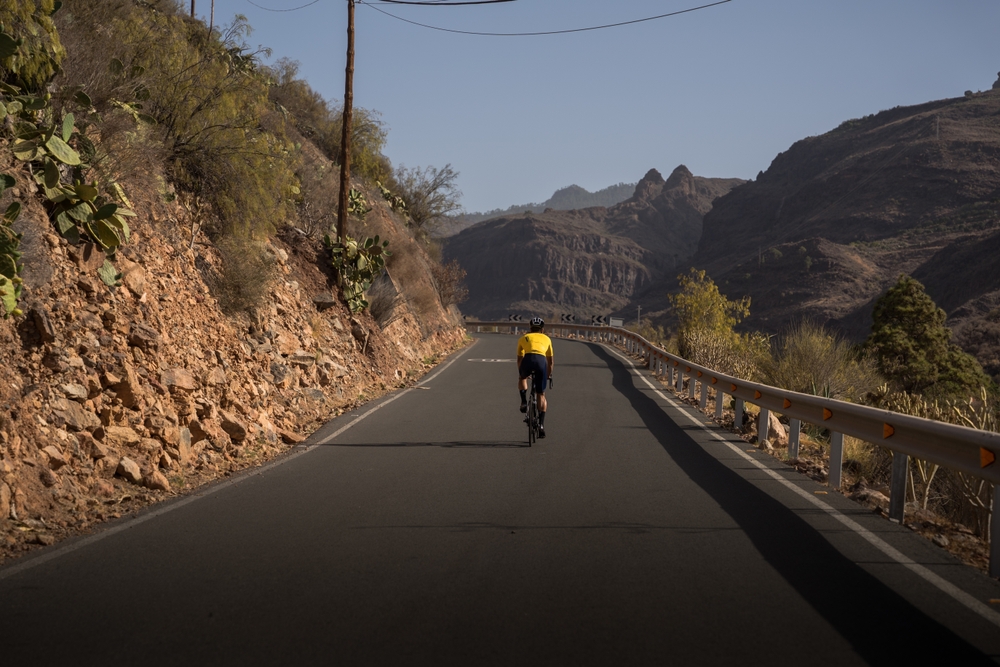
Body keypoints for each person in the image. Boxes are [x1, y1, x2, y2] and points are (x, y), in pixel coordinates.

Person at [516, 317, 553, 438]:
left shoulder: (523, 338)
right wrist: (548, 375)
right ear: (542, 330)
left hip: (527, 360)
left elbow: (519, 359)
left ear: (530, 328)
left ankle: (523, 402)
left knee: (522, 379)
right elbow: (550, 361)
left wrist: (522, 374)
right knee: (541, 394)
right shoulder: (547, 339)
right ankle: (541, 425)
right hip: (541, 362)